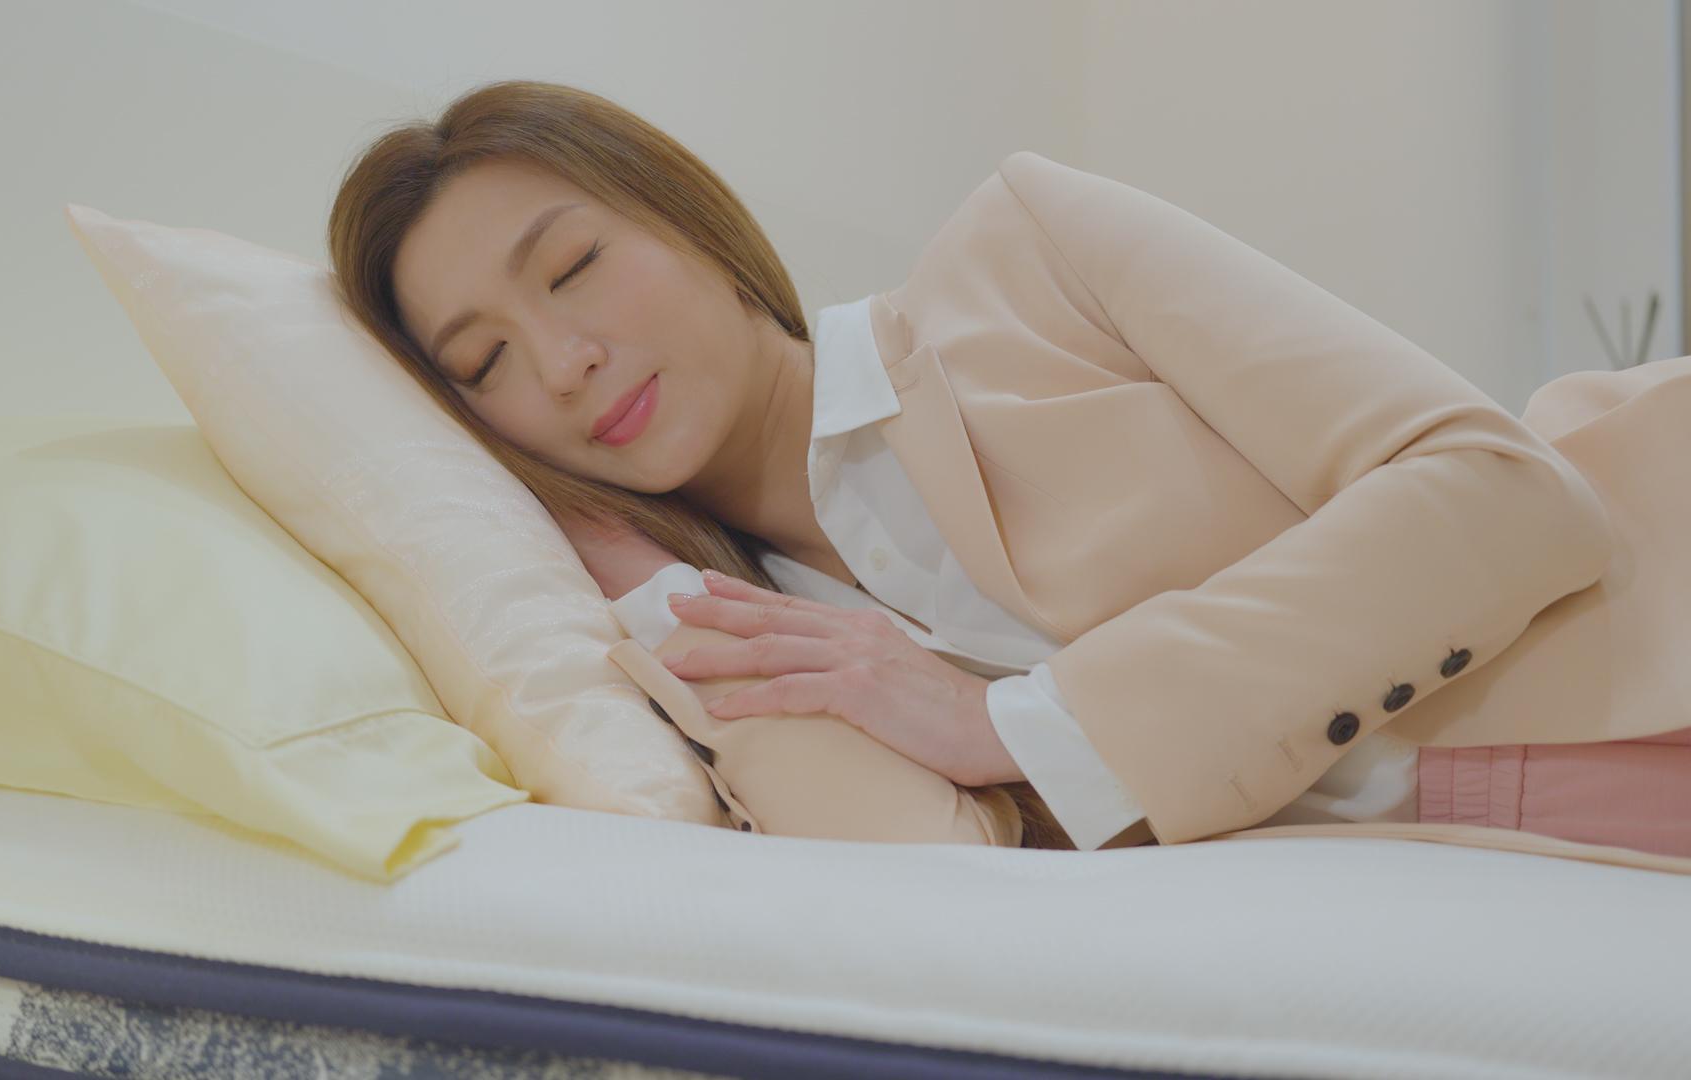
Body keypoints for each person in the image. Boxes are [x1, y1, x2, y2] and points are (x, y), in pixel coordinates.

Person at [325, 78, 1691, 867]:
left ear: (691, 222)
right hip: (1553, 863)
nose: (562, 362)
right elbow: (927, 873)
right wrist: (633, 569)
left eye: (573, 266)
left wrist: (1017, 723)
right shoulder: (748, 632)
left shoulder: (1030, 253)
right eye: (485, 364)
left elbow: (1500, 493)